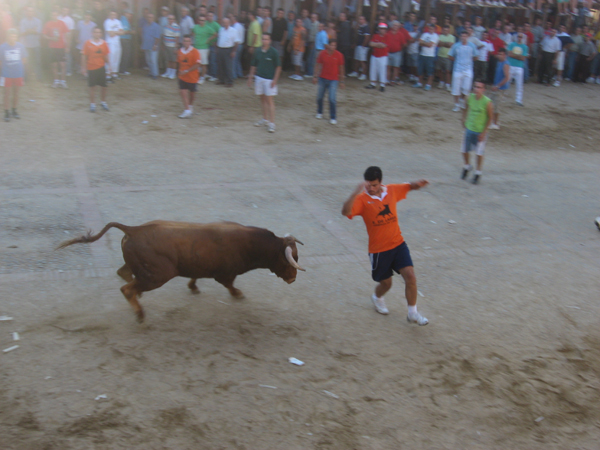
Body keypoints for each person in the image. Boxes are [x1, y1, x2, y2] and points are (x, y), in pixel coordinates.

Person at [341, 166, 429, 325]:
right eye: (368, 184)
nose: (371, 188)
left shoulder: (392, 190)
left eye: (374, 185)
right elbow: (345, 212)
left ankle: (413, 313)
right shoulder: (361, 199)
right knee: (386, 283)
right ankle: (377, 297)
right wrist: (354, 193)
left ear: (381, 182)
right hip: (379, 251)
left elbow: (409, 186)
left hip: (398, 244)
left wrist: (418, 183)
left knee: (410, 276)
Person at [248, 32, 281, 133]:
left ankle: (272, 123)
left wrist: (275, 80)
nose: (264, 41)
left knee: (269, 100)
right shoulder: (258, 51)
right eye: (263, 39)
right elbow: (253, 65)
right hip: (259, 78)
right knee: (262, 99)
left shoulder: (273, 52)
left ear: (270, 41)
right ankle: (265, 119)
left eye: (266, 39)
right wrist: (250, 77)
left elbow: (278, 67)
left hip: (269, 79)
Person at [460, 81, 493, 184]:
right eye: (475, 87)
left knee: (479, 153)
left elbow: (490, 118)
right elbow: (465, 108)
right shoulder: (469, 98)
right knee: (464, 150)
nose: (476, 89)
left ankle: (478, 172)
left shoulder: (487, 102)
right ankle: (467, 166)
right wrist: (463, 119)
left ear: (484, 89)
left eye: (479, 87)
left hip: (480, 131)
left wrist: (484, 132)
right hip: (470, 128)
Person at [313, 39, 345, 125]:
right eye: (332, 45)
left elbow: (341, 68)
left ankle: (333, 116)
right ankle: (320, 112)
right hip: (323, 78)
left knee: (332, 98)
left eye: (334, 45)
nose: (333, 47)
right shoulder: (322, 53)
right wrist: (315, 76)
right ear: (328, 45)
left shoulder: (339, 55)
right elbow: (318, 65)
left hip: (333, 79)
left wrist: (342, 81)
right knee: (319, 97)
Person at [81, 26, 109, 113]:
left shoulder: (104, 43)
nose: (97, 34)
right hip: (91, 67)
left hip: (101, 67)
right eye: (96, 32)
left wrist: (109, 66)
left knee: (103, 86)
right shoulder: (87, 43)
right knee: (92, 87)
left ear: (101, 34)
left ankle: (103, 102)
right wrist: (83, 68)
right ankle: (92, 104)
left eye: (99, 32)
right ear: (92, 33)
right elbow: (84, 56)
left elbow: (105, 56)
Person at [1, 28, 27, 122]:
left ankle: (14, 110)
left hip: (18, 73)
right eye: (11, 36)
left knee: (16, 93)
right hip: (6, 74)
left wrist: (18, 68)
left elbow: (24, 59)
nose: (13, 38)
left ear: (17, 37)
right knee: (6, 93)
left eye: (14, 36)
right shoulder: (2, 47)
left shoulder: (20, 46)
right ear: (7, 36)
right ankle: (7, 112)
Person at [449, 31, 477, 111]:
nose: (463, 38)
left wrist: (469, 61)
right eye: (462, 36)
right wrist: (457, 61)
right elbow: (450, 55)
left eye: (465, 36)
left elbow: (476, 56)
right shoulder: (456, 46)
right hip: (458, 69)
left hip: (468, 69)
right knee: (456, 88)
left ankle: (461, 100)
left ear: (467, 37)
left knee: (466, 88)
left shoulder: (472, 46)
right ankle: (456, 104)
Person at [42, 10, 69, 88]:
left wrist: (67, 46)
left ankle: (63, 81)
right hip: (52, 47)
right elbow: (43, 35)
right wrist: (51, 38)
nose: (54, 16)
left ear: (58, 15)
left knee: (63, 65)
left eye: (55, 15)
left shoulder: (62, 23)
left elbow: (66, 34)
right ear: (51, 16)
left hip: (61, 47)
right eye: (53, 15)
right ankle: (56, 81)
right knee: (54, 65)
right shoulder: (48, 24)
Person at [177, 34, 201, 119]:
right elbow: (180, 63)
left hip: (192, 77)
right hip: (183, 77)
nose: (186, 42)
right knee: (183, 92)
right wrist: (180, 71)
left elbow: (197, 64)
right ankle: (187, 109)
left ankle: (190, 106)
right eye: (185, 41)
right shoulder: (180, 51)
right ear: (183, 42)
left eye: (188, 41)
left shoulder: (195, 51)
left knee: (192, 94)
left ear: (190, 42)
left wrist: (186, 71)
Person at [19, 6, 42, 81]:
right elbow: (22, 33)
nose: (30, 13)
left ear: (34, 12)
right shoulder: (23, 21)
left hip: (36, 44)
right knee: (26, 61)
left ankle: (38, 78)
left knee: (37, 61)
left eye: (31, 11)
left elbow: (38, 32)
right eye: (28, 11)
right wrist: (33, 30)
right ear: (26, 12)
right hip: (26, 45)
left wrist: (28, 30)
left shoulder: (38, 21)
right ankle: (25, 78)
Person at [489, 48, 510, 130]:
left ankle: (495, 123)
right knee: (494, 105)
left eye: (500, 54)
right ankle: (494, 122)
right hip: (497, 87)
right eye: (498, 54)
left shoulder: (505, 64)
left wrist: (497, 86)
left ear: (504, 55)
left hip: (500, 89)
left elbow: (507, 77)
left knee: (496, 106)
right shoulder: (500, 63)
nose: (499, 55)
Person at [365, 23, 389, 92]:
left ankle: (382, 85)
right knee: (373, 69)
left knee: (382, 70)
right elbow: (370, 44)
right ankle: (373, 83)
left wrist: (375, 44)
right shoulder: (375, 36)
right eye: (381, 28)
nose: (382, 30)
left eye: (383, 29)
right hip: (374, 55)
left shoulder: (387, 36)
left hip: (383, 56)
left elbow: (384, 45)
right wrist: (378, 44)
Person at [414, 24, 438, 90]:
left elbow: (430, 45)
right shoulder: (425, 34)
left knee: (430, 71)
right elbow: (419, 42)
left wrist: (423, 43)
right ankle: (419, 83)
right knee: (420, 70)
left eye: (432, 29)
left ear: (434, 29)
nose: (430, 30)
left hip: (430, 56)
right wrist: (425, 43)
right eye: (430, 28)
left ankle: (428, 85)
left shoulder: (435, 36)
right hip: (422, 54)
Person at [507, 32, 528, 106]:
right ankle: (503, 97)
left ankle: (518, 99)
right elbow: (509, 54)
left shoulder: (525, 47)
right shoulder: (512, 44)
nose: (519, 38)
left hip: (519, 67)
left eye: (521, 37)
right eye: (519, 37)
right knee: (507, 81)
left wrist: (514, 55)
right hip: (511, 65)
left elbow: (523, 58)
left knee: (519, 84)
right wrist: (518, 56)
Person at [192, 15, 214, 84]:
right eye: (200, 20)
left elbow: (215, 34)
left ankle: (202, 77)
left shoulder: (208, 28)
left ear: (205, 21)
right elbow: (192, 32)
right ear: (198, 20)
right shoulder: (195, 27)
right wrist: (195, 37)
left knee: (204, 64)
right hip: (196, 47)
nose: (202, 21)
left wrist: (209, 39)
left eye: (203, 20)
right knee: (197, 63)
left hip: (204, 48)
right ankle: (197, 76)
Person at [216, 18, 237, 87]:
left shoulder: (233, 31)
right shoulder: (221, 30)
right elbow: (219, 39)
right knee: (221, 66)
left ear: (229, 23)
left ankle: (230, 81)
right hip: (220, 49)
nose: (225, 24)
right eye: (224, 22)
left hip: (228, 49)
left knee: (228, 66)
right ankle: (222, 80)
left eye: (226, 22)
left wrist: (233, 51)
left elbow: (236, 42)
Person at [104, 10, 123, 82]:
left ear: (116, 15)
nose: (113, 16)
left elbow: (123, 32)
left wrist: (114, 32)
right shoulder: (107, 22)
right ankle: (108, 74)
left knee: (117, 58)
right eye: (111, 14)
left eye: (114, 14)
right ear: (109, 14)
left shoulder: (118, 22)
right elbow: (110, 34)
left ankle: (114, 74)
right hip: (110, 42)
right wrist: (118, 32)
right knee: (110, 58)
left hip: (117, 42)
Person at [348, 15, 369, 80]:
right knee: (357, 60)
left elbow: (367, 37)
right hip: (358, 45)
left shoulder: (366, 27)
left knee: (362, 61)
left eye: (361, 19)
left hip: (363, 46)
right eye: (359, 19)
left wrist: (363, 45)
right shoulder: (360, 27)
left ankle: (364, 74)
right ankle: (355, 72)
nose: (360, 20)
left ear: (364, 20)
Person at [141, 13, 161, 79]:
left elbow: (157, 37)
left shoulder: (156, 26)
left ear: (153, 18)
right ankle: (151, 72)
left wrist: (155, 45)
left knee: (153, 60)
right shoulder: (145, 25)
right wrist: (143, 45)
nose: (149, 18)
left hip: (153, 46)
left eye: (151, 17)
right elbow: (144, 35)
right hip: (146, 45)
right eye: (148, 17)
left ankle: (155, 74)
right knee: (148, 60)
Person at [161, 15, 180, 79]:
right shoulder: (166, 26)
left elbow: (177, 38)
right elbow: (164, 35)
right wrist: (163, 45)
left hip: (172, 46)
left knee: (173, 60)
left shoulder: (176, 27)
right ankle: (168, 72)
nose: (170, 20)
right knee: (168, 60)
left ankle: (173, 73)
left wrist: (175, 48)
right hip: (166, 45)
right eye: (169, 19)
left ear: (174, 19)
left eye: (172, 19)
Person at [387, 21, 406, 86]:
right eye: (394, 25)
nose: (395, 27)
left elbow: (403, 44)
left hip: (397, 53)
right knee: (388, 67)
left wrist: (399, 49)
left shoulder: (400, 34)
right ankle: (387, 80)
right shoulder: (388, 33)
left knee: (396, 67)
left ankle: (393, 80)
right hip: (389, 52)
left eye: (397, 25)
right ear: (392, 26)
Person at [437, 24, 455, 90]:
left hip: (448, 56)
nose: (445, 31)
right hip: (440, 55)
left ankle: (448, 84)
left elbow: (450, 45)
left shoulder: (452, 37)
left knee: (447, 71)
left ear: (449, 30)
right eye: (444, 30)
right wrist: (446, 43)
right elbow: (439, 44)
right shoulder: (440, 36)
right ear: (443, 30)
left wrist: (443, 43)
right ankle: (441, 82)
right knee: (439, 70)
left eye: (447, 30)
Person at [58, 6, 75, 76]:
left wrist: (69, 44)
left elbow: (71, 33)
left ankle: (68, 70)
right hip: (58, 40)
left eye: (66, 10)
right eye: (64, 10)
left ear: (68, 11)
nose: (65, 11)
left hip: (66, 40)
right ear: (62, 10)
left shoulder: (70, 20)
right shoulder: (58, 17)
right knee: (59, 56)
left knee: (67, 55)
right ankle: (60, 70)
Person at [229, 14, 244, 79]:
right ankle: (239, 73)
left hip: (236, 45)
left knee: (233, 61)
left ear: (234, 20)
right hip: (241, 44)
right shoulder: (241, 26)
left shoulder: (235, 27)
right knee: (237, 60)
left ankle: (234, 75)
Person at [119, 9, 133, 75]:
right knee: (125, 55)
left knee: (124, 55)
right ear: (126, 13)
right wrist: (131, 32)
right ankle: (122, 70)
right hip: (124, 40)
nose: (130, 15)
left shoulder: (124, 20)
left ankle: (122, 69)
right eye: (129, 14)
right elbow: (124, 32)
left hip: (124, 40)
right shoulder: (124, 20)